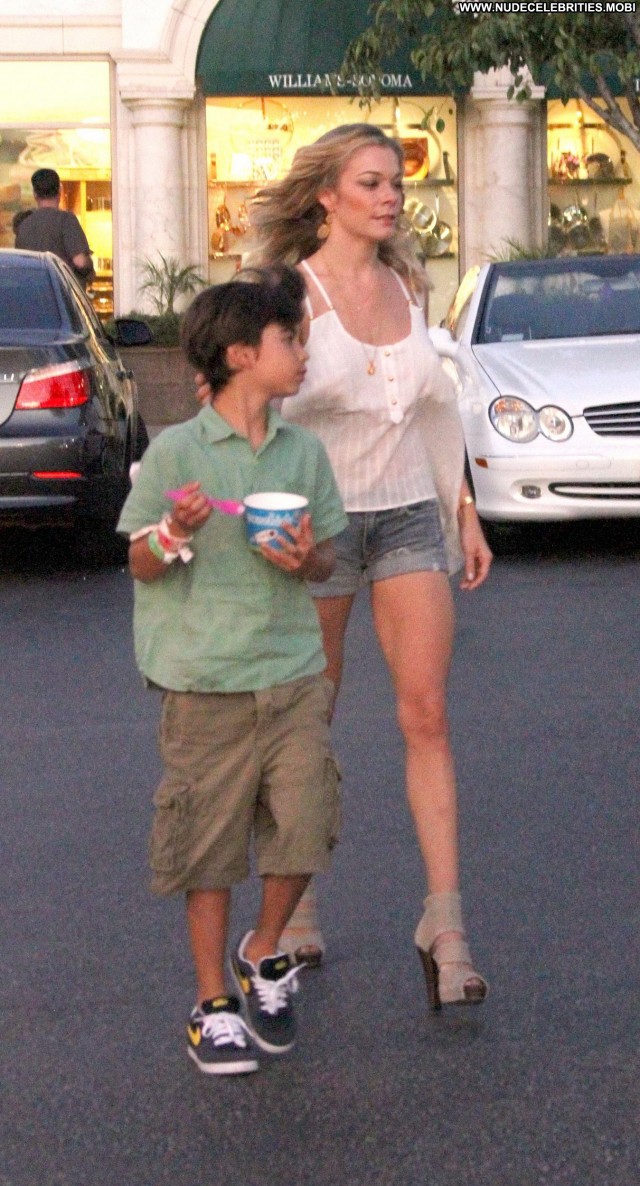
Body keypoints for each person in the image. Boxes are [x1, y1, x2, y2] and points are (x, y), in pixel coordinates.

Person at [197, 123, 493, 1010]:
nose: (390, 196)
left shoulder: (410, 283)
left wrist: (463, 507)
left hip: (407, 516)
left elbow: (433, 408)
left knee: (427, 714)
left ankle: (446, 926)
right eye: (370, 182)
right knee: (307, 726)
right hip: (314, 525)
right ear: (327, 196)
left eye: (396, 182)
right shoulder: (287, 294)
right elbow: (242, 402)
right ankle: (297, 905)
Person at [117, 264, 347, 1074]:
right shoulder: (177, 451)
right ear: (243, 355)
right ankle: (211, 1002)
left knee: (308, 821)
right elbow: (141, 563)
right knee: (207, 846)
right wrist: (174, 531)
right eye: (291, 340)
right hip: (203, 680)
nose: (304, 355)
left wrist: (305, 559)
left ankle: (263, 947)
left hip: (292, 672)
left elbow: (326, 558)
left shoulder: (303, 452)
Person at [15, 167, 95, 288]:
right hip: (61, 294)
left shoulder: (24, 225)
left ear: (35, 194)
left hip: (33, 293)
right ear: (59, 191)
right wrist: (89, 264)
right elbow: (80, 262)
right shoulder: (66, 220)